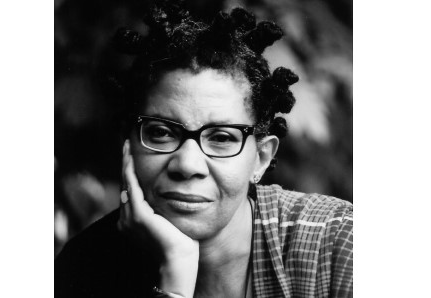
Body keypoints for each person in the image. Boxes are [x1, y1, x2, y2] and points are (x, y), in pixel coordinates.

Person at [54, 1, 353, 297]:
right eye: (161, 133)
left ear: (260, 159)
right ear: (128, 143)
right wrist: (176, 271)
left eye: (222, 138)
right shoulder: (87, 268)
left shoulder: (338, 245)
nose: (187, 164)